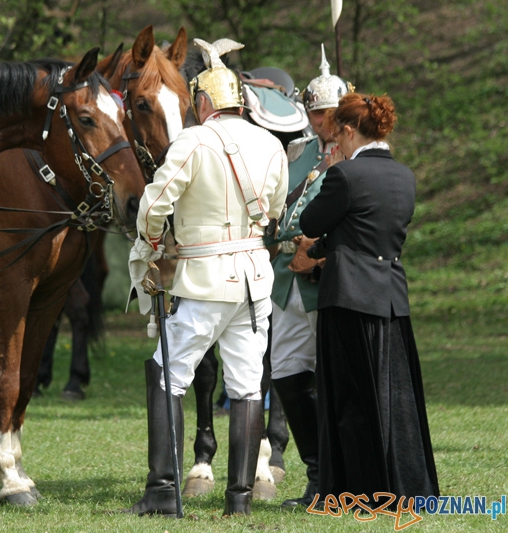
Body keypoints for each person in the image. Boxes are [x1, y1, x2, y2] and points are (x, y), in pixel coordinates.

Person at [125, 38, 288, 517]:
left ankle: (162, 491)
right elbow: (274, 211)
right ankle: (238, 501)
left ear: (202, 102)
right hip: (255, 282)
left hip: (203, 279)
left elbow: (154, 205)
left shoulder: (193, 140)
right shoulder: (270, 143)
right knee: (245, 385)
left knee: (165, 372)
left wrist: (152, 243)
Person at [300, 93, 439, 504]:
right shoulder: (405, 177)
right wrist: (327, 246)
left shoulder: (345, 176)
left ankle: (356, 489)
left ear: (347, 130)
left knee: (351, 399)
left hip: (347, 297)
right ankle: (406, 485)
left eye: (336, 135)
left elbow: (311, 220)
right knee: (396, 398)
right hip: (392, 295)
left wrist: (331, 175)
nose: (335, 144)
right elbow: (367, 231)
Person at [264, 44, 351, 509]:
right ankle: (317, 474)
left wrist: (316, 252)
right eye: (317, 113)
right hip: (285, 280)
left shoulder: (356, 159)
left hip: (329, 279)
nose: (324, 121)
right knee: (286, 373)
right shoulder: (295, 151)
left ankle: (340, 477)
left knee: (333, 376)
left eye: (332, 112)